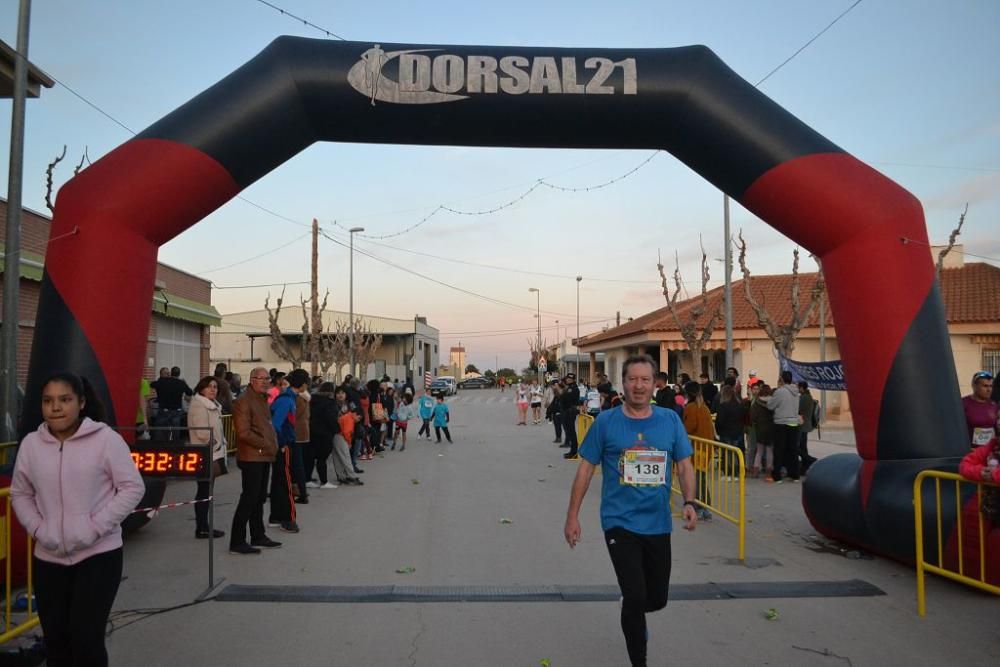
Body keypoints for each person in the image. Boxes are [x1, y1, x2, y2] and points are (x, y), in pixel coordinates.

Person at [564, 355, 697, 667]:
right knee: (637, 597)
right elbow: (585, 470)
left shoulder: (669, 420)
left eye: (645, 380)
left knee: (657, 599)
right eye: (632, 379)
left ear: (654, 384)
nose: (638, 385)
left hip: (658, 522)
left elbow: (685, 465)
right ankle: (639, 659)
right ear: (623, 383)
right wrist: (572, 516)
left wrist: (690, 502)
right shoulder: (606, 422)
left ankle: (631, 606)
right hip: (618, 522)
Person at [12, 372, 145, 666]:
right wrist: (38, 528)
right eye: (48, 401)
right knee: (56, 641)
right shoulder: (32, 445)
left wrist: (94, 527)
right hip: (48, 559)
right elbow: (20, 493)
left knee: (86, 640)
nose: (55, 407)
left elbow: (133, 487)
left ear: (81, 402)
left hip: (98, 557)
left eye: (65, 400)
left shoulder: (106, 440)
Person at [230, 367, 282, 554]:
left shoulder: (261, 399)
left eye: (268, 378)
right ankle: (237, 541)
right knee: (249, 498)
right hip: (252, 456)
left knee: (259, 498)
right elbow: (244, 433)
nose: (266, 381)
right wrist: (265, 444)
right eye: (262, 378)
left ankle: (258, 535)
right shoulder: (243, 401)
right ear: (252, 380)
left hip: (263, 455)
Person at [187, 376, 227, 539]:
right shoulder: (199, 405)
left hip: (212, 452)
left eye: (215, 387)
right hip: (205, 453)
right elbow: (202, 432)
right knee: (204, 491)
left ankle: (204, 526)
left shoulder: (212, 405)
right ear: (201, 388)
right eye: (209, 386)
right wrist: (216, 443)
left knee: (206, 491)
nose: (213, 389)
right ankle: (202, 527)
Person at [268, 370, 300, 533]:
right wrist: (281, 442)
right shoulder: (286, 401)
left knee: (279, 481)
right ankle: (288, 519)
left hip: (284, 442)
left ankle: (275, 516)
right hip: (284, 445)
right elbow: (275, 423)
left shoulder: (289, 398)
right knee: (286, 481)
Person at [682, 381, 716, 520]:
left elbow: (689, 427)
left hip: (697, 447)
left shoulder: (691, 407)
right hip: (706, 447)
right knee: (700, 477)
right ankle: (704, 507)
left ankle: (701, 507)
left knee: (696, 478)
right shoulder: (704, 407)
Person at [766, 371, 801, 482]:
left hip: (781, 423)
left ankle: (777, 476)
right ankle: (794, 475)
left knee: (779, 450)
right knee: (793, 450)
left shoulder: (780, 392)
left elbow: (770, 406)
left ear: (781, 379)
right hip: (793, 423)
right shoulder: (797, 392)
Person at [306, 381, 338, 490]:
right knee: (322, 459)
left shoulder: (311, 400)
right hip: (325, 433)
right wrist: (336, 429)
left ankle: (307, 479)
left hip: (311, 432)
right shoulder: (330, 403)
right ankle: (324, 482)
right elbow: (331, 419)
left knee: (310, 457)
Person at [150, 366, 193, 440]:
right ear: (179, 374)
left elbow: (152, 384)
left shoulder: (163, 381)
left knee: (160, 433)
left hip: (163, 411)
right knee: (175, 432)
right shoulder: (181, 383)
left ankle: (160, 447)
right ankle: (175, 447)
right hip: (177, 411)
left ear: (171, 373)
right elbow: (190, 392)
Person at [333, 387, 364, 485]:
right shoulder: (333, 404)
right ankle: (349, 476)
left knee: (340, 455)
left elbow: (357, 415)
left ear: (346, 395)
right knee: (342, 455)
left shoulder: (350, 404)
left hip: (346, 432)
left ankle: (342, 476)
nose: (340, 395)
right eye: (338, 393)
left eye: (342, 393)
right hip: (338, 432)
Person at [714, 384, 746, 480]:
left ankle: (728, 473)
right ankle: (737, 473)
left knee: (727, 453)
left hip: (726, 432)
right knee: (737, 453)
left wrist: (718, 431)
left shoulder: (723, 405)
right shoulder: (740, 405)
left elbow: (720, 421)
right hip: (738, 432)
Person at [289, 370, 311, 505]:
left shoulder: (298, 398)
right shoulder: (305, 397)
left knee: (296, 464)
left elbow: (293, 416)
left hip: (296, 432)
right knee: (297, 463)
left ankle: (301, 492)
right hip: (303, 431)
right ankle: (298, 489)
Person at [962, 370, 997, 449]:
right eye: (985, 386)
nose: (989, 389)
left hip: (989, 453)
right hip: (970, 453)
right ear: (974, 386)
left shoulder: (994, 405)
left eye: (991, 386)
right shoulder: (963, 404)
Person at [751, 384, 775, 479]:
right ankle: (768, 472)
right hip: (771, 428)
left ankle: (756, 471)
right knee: (770, 451)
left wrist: (757, 422)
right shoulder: (773, 402)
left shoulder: (756, 402)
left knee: (759, 451)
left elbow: (752, 416)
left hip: (760, 428)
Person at [796, 381, 819, 475]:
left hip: (802, 426)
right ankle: (805, 466)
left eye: (798, 387)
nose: (797, 389)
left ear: (801, 388)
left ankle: (810, 460)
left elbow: (797, 408)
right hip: (805, 425)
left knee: (799, 447)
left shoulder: (804, 398)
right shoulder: (808, 396)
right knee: (802, 447)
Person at [560, 373, 581, 458]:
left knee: (571, 432)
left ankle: (574, 452)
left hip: (570, 411)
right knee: (569, 431)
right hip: (567, 411)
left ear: (573, 380)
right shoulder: (568, 387)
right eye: (567, 378)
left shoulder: (574, 389)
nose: (567, 380)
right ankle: (572, 451)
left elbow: (567, 399)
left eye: (569, 379)